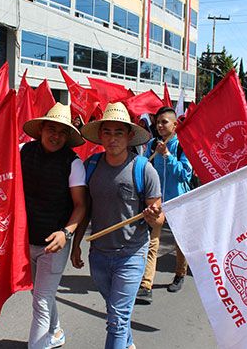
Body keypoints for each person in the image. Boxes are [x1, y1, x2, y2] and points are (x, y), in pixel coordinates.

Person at [72, 102, 162, 349]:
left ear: (129, 135)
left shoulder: (145, 170)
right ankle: (128, 344)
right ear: (100, 135)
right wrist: (76, 245)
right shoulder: (90, 166)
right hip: (98, 255)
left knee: (117, 321)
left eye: (119, 133)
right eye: (107, 132)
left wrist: (154, 216)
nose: (113, 139)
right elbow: (85, 209)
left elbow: (159, 217)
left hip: (131, 255)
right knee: (115, 313)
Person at [21, 103, 87, 349]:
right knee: (40, 295)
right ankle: (56, 331)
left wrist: (66, 233)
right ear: (41, 130)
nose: (56, 136)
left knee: (41, 300)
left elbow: (81, 205)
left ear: (68, 136)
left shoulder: (74, 163)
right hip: (26, 240)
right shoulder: (23, 151)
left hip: (55, 243)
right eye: (51, 129)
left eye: (62, 132)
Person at [137, 107, 193, 304]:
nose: (160, 126)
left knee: (180, 243)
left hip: (178, 202)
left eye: (164, 122)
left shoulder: (183, 146)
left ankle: (180, 274)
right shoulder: (152, 144)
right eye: (158, 122)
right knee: (152, 242)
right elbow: (142, 168)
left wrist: (168, 155)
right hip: (156, 202)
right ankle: (146, 285)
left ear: (175, 124)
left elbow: (184, 175)